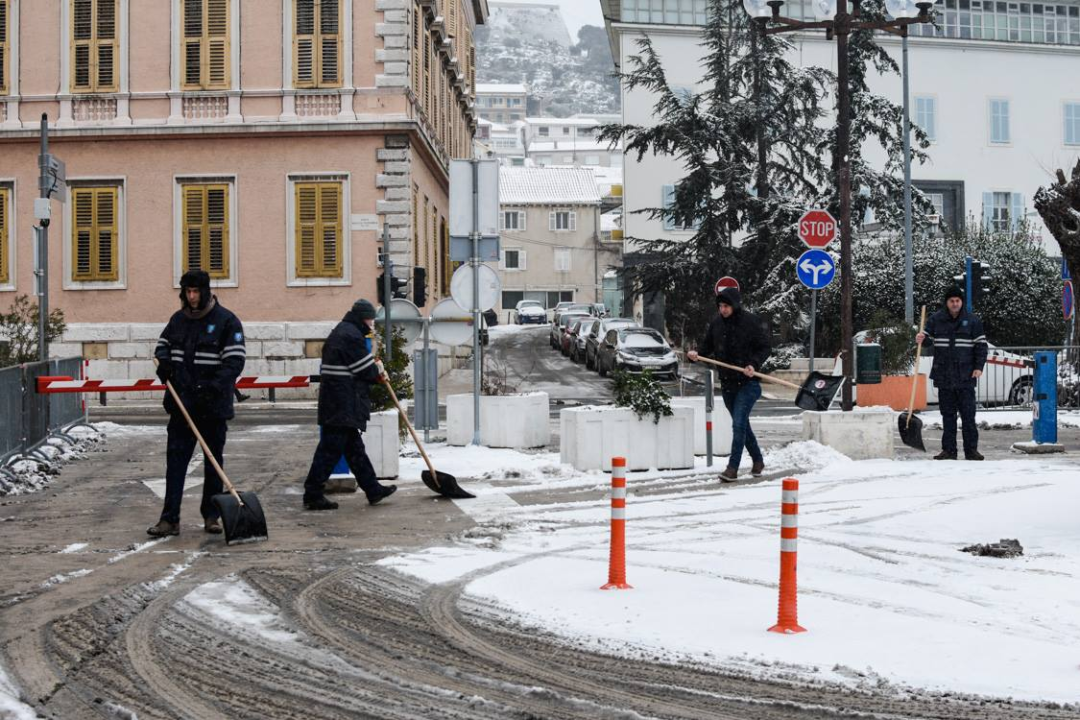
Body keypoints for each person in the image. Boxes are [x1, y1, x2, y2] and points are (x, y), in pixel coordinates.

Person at [148, 270, 246, 537]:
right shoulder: (178, 320)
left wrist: (212, 387)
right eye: (187, 292)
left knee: (213, 464)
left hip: (213, 407)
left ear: (205, 292)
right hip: (182, 407)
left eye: (196, 292)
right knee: (176, 463)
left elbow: (235, 361)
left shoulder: (227, 322)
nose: (191, 297)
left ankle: (212, 516)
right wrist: (165, 365)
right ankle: (170, 519)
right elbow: (162, 347)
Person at [302, 299, 397, 511]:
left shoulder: (343, 331)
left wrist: (373, 366)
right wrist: (377, 370)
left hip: (337, 402)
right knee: (329, 451)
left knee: (355, 450)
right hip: (342, 403)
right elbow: (364, 370)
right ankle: (313, 493)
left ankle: (373, 489)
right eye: (371, 319)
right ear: (364, 317)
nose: (372, 323)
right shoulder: (351, 336)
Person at [687, 287, 771, 481]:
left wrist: (753, 364)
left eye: (726, 306)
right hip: (727, 384)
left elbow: (765, 347)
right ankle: (758, 460)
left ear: (735, 305)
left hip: (748, 383)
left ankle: (732, 468)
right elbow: (706, 347)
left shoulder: (750, 322)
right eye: (720, 306)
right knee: (742, 426)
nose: (723, 310)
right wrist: (695, 354)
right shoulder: (716, 324)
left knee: (738, 424)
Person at [916, 286, 987, 461]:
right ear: (946, 303)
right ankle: (949, 451)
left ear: (961, 302)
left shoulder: (972, 321)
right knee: (948, 417)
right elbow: (925, 342)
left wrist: (979, 367)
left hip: (966, 376)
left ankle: (971, 451)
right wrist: (921, 339)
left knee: (968, 416)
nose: (955, 304)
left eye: (957, 301)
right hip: (944, 375)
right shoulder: (936, 320)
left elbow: (981, 346)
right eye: (951, 301)